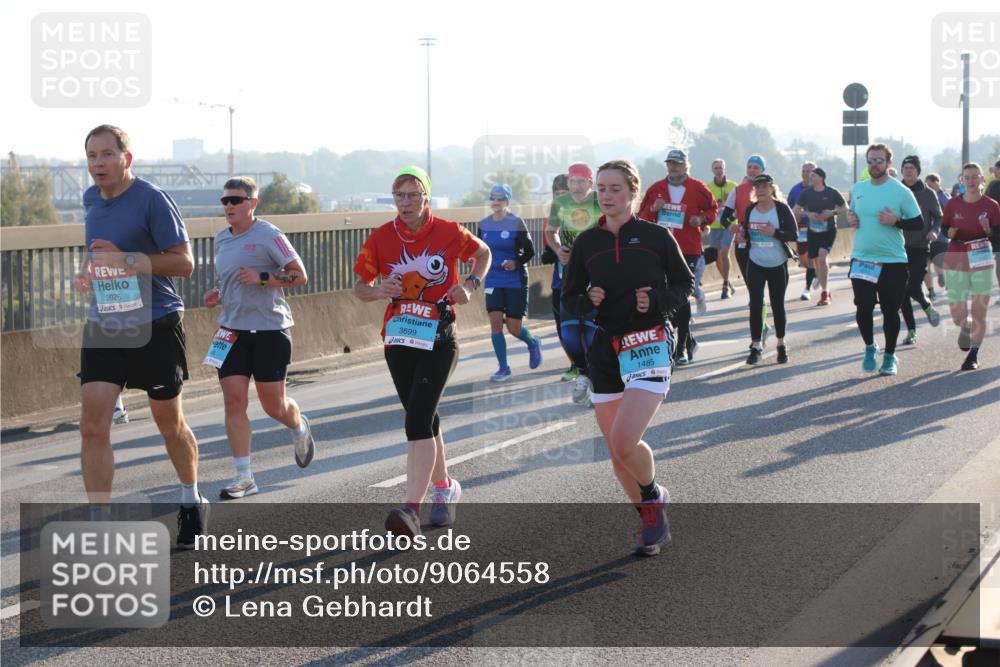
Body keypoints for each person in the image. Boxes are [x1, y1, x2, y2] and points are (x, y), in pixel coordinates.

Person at [74, 124, 206, 548]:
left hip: (155, 322)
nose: (99, 163)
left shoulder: (152, 199)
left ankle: (190, 499)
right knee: (92, 425)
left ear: (126, 159)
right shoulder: (90, 199)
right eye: (92, 155)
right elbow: (103, 254)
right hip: (106, 322)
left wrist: (126, 260)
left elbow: (183, 264)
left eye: (107, 154)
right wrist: (90, 271)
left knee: (169, 423)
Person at [561, 159, 693, 556]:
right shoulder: (587, 243)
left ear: (633, 192)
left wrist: (657, 301)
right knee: (618, 455)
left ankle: (653, 497)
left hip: (649, 342)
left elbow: (684, 283)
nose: (606, 195)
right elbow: (568, 299)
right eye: (601, 188)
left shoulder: (656, 236)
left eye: (615, 188)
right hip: (605, 349)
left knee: (624, 439)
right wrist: (588, 300)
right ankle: (650, 519)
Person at [353, 166, 491, 537]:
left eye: (414, 195)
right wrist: (379, 290)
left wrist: (470, 283)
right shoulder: (381, 238)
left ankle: (411, 508)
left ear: (426, 197)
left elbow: (483, 253)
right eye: (400, 196)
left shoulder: (447, 232)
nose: (407, 202)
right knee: (425, 419)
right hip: (398, 339)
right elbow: (359, 286)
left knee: (415, 422)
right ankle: (445, 487)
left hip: (439, 337)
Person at [202, 176, 315, 500]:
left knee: (273, 406)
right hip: (231, 330)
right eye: (224, 201)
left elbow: (299, 275)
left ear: (253, 203)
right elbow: (228, 281)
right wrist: (218, 292)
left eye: (235, 200)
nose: (228, 206)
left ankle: (298, 426)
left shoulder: (269, 235)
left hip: (269, 331)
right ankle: (244, 476)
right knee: (233, 402)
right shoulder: (221, 239)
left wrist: (263, 277)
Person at [846, 144, 925, 376]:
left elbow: (918, 223)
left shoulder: (901, 191)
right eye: (870, 161)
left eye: (879, 161)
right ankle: (871, 347)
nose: (874, 165)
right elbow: (853, 213)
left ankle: (890, 356)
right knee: (863, 307)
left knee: (891, 311)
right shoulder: (858, 188)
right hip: (862, 259)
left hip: (892, 261)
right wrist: (852, 218)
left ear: (889, 163)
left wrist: (897, 221)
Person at [637, 149, 717, 365]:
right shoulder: (656, 189)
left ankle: (680, 348)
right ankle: (687, 340)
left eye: (678, 164)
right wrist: (654, 208)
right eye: (670, 164)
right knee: (666, 297)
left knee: (680, 295)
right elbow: (642, 218)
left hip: (688, 248)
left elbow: (712, 210)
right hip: (661, 249)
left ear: (686, 165)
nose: (674, 167)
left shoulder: (699, 188)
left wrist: (701, 219)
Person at [546, 163, 603, 404]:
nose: (576, 186)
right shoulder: (560, 203)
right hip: (570, 273)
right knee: (570, 331)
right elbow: (551, 231)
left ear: (590, 183)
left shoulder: (600, 200)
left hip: (598, 272)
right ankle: (583, 372)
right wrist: (559, 250)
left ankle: (597, 382)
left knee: (592, 331)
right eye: (572, 181)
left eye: (582, 181)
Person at [477, 183, 541, 381]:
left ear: (507, 201)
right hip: (493, 279)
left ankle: (532, 343)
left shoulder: (516, 222)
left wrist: (516, 262)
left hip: (515, 280)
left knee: (513, 328)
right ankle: (503, 368)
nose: (496, 202)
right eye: (493, 198)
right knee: (495, 323)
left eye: (501, 198)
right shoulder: (483, 224)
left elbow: (530, 251)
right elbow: (479, 252)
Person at [940, 162, 1000, 370]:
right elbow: (944, 227)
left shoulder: (992, 206)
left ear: (983, 179)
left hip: (981, 258)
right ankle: (964, 326)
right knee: (957, 312)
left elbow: (998, 236)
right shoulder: (952, 204)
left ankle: (974, 354)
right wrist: (949, 233)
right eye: (968, 177)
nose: (972, 181)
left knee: (979, 310)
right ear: (962, 180)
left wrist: (989, 231)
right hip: (956, 257)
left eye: (976, 177)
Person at [734, 175, 798, 364]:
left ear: (772, 189)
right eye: (757, 187)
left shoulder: (781, 209)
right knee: (755, 303)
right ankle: (755, 346)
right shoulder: (751, 209)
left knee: (777, 304)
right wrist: (742, 236)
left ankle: (781, 343)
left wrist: (775, 233)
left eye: (764, 186)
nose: (760, 190)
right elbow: (745, 232)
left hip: (777, 263)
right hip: (755, 262)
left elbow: (794, 234)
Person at [720, 155, 771, 347]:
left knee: (759, 292)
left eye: (756, 167)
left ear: (763, 170)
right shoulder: (738, 190)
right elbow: (725, 217)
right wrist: (733, 228)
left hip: (766, 246)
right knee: (754, 291)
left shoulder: (769, 189)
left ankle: (760, 329)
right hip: (744, 245)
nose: (752, 170)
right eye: (749, 166)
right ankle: (763, 326)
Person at [896, 156, 943, 345]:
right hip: (897, 248)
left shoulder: (927, 193)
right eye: (905, 167)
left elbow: (938, 218)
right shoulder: (895, 191)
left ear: (918, 171)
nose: (908, 171)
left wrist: (934, 231)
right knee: (901, 293)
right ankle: (911, 331)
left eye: (912, 168)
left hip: (920, 247)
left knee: (913, 286)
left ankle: (926, 305)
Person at [792, 166, 846, 306]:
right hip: (813, 231)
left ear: (821, 178)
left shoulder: (832, 192)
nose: (810, 178)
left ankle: (824, 292)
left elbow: (845, 208)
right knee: (816, 261)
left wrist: (831, 213)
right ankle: (822, 281)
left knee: (822, 257)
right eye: (810, 176)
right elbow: (795, 209)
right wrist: (808, 214)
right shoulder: (806, 193)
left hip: (829, 230)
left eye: (813, 176)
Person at [541, 175, 577, 381]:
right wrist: (552, 252)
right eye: (556, 195)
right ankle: (574, 363)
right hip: (559, 281)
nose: (560, 199)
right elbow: (548, 248)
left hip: (583, 280)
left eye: (564, 194)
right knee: (562, 326)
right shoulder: (552, 218)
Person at [705, 159, 739, 299]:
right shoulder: (707, 187)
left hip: (729, 225)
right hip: (714, 226)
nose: (719, 170)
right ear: (712, 170)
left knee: (724, 252)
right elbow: (705, 207)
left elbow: (738, 205)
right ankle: (728, 281)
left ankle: (725, 285)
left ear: (725, 169)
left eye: (721, 167)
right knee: (716, 256)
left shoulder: (733, 186)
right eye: (716, 168)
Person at [787, 162, 819, 301]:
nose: (806, 174)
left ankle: (807, 289)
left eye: (810, 171)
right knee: (804, 259)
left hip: (818, 228)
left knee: (812, 258)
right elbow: (789, 209)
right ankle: (818, 273)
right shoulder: (795, 189)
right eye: (804, 171)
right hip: (801, 229)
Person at [925, 172, 951, 299]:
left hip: (941, 236)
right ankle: (931, 291)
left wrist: (939, 193)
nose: (928, 187)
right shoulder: (925, 196)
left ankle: (941, 274)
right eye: (927, 185)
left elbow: (950, 207)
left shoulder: (944, 195)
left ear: (936, 183)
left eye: (930, 184)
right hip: (925, 236)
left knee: (938, 262)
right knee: (926, 264)